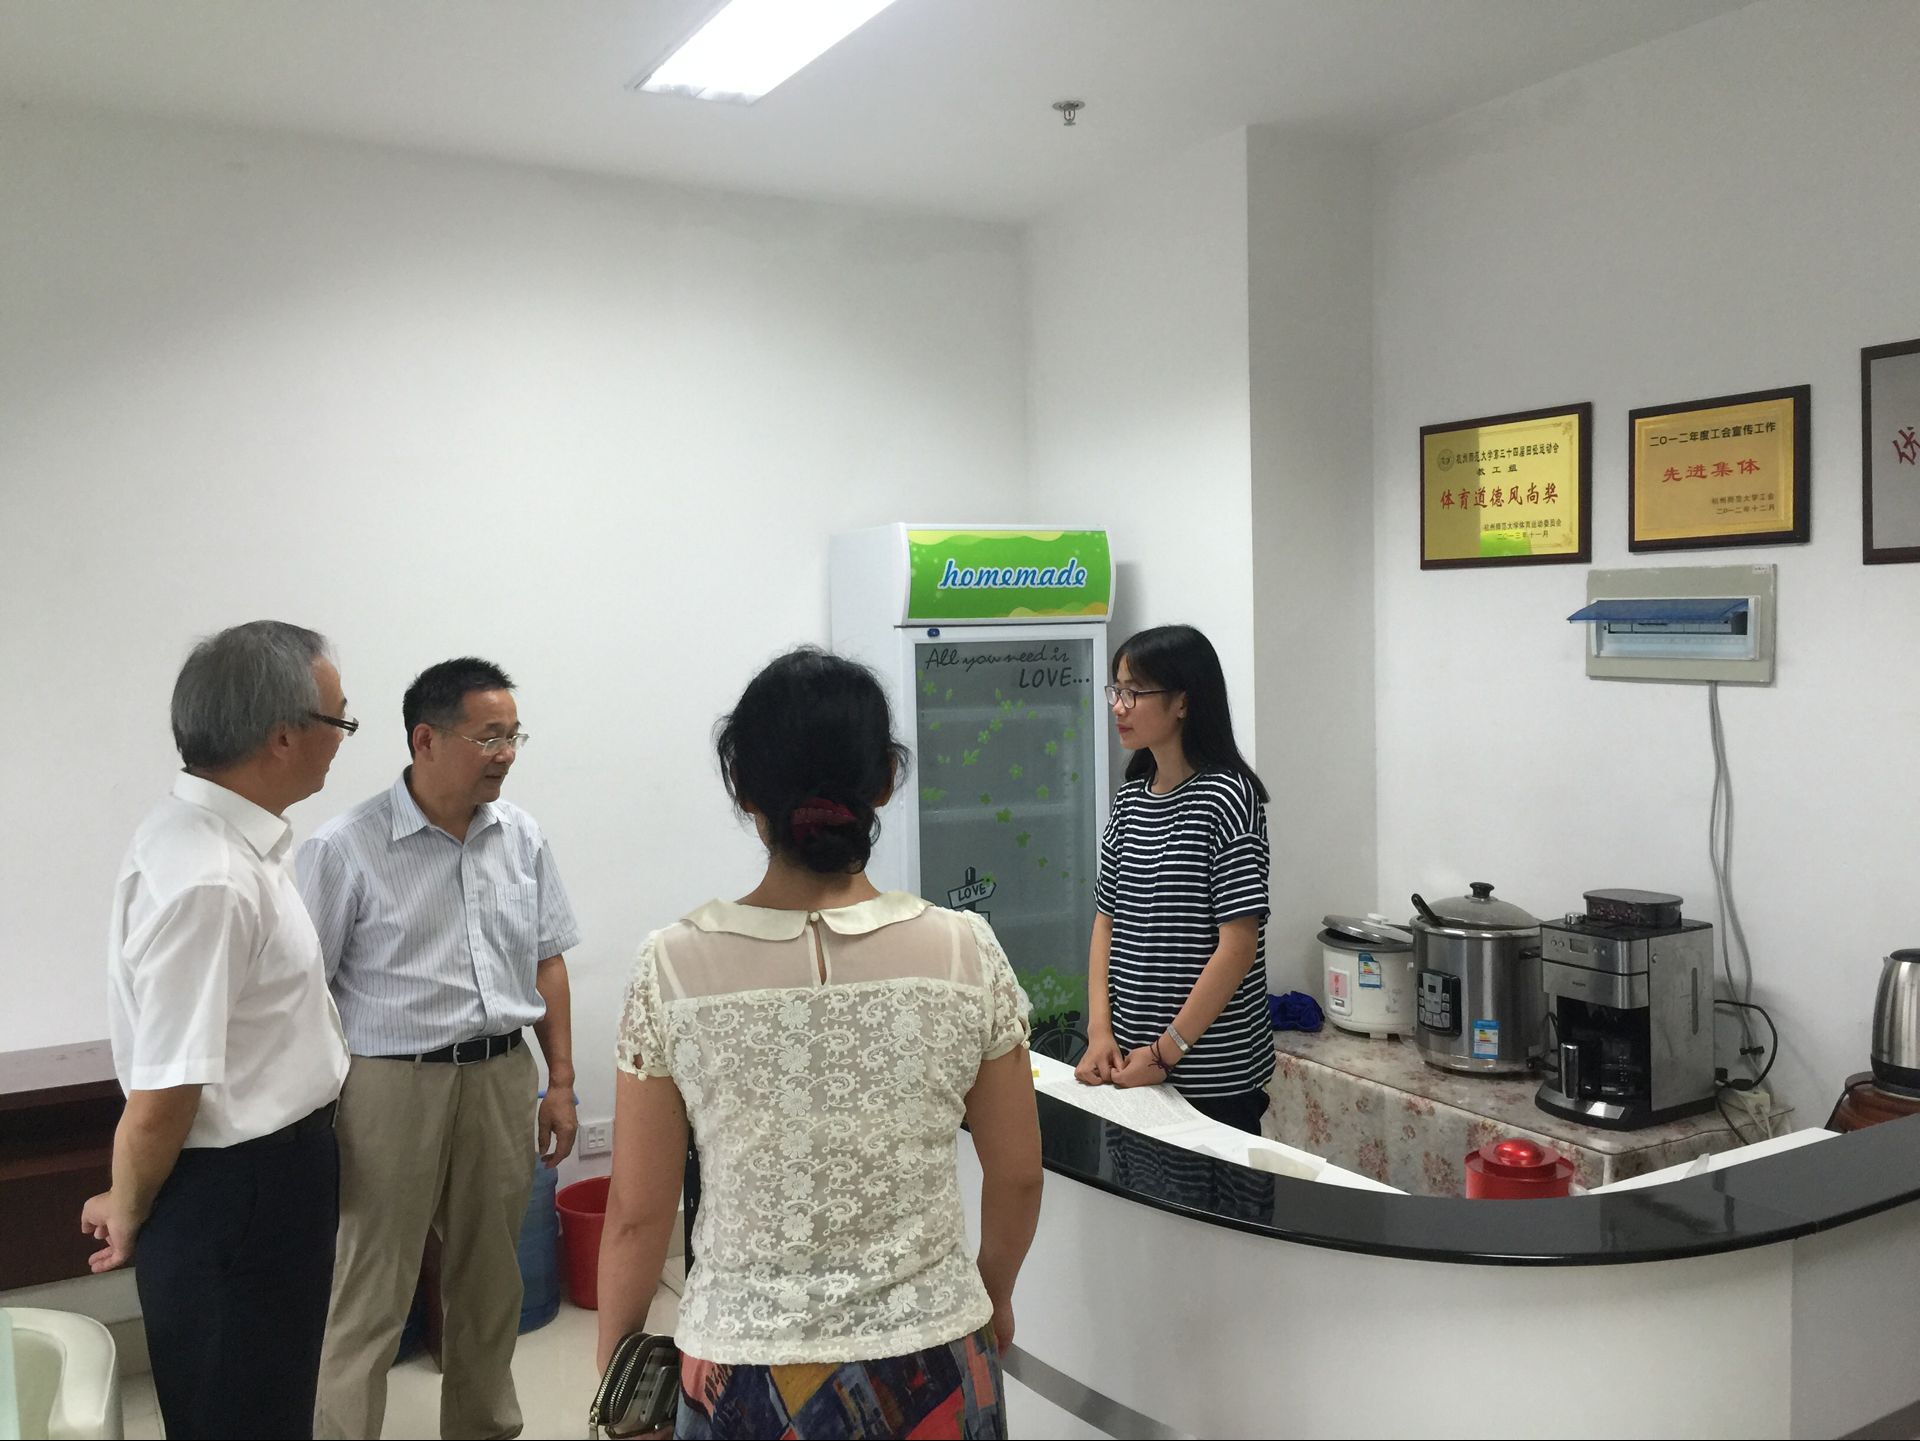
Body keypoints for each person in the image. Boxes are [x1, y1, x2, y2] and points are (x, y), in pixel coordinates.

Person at [596, 647, 1042, 1441]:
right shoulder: (964, 952)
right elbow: (1017, 1175)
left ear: (743, 789)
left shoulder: (671, 967)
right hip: (934, 1358)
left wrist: (617, 1380)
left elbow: (637, 1213)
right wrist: (994, 1291)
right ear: (886, 781)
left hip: (742, 1371)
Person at [297, 657, 581, 1441]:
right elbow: (303, 992)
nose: (506, 753)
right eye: (488, 736)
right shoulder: (344, 848)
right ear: (425, 739)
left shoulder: (520, 835)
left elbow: (548, 959)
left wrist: (560, 1081)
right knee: (371, 1289)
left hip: (501, 1075)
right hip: (390, 1087)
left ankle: (484, 1426)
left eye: (513, 735)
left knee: (491, 1280)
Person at [90, 620, 353, 1439]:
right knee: (241, 1410)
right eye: (339, 720)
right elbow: (167, 1090)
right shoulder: (210, 876)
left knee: (263, 1398)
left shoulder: (229, 840)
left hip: (265, 1178)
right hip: (240, 1192)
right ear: (283, 736)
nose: (343, 738)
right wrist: (127, 1201)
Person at [1073, 624, 1275, 1135]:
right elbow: (1105, 922)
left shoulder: (1227, 797)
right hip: (1130, 1063)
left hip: (1211, 1077)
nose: (1118, 707)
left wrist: (1167, 1052)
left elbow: (1237, 946)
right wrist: (1099, 1032)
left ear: (1182, 702)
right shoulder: (1130, 801)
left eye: (1134, 693)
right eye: (1116, 691)